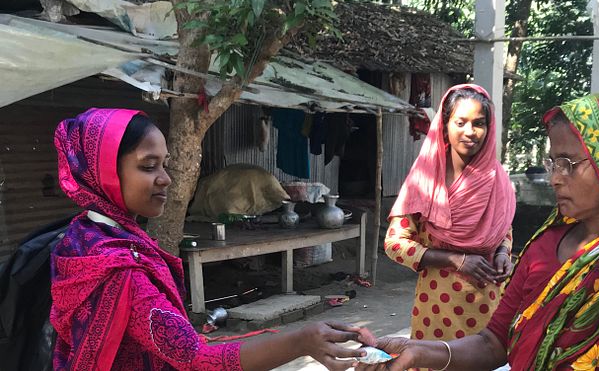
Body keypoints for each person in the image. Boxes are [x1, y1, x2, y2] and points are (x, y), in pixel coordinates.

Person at [361, 94, 599, 370]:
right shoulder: (546, 245)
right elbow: (494, 342)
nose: (554, 177)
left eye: (569, 163)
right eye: (552, 161)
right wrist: (419, 352)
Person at [50, 108, 364, 370]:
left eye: (164, 164)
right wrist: (301, 341)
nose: (166, 178)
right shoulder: (122, 272)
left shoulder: (80, 238)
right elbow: (195, 359)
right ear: (102, 173)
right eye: (148, 166)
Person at [383, 85, 516, 351]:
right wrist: (455, 260)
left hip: (488, 304)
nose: (470, 132)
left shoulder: (496, 179)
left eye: (479, 124)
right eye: (460, 122)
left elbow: (503, 230)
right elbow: (394, 243)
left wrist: (503, 254)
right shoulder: (425, 181)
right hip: (437, 309)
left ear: (489, 130)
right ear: (444, 126)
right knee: (433, 362)